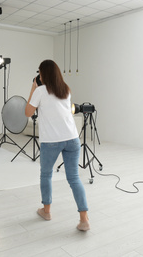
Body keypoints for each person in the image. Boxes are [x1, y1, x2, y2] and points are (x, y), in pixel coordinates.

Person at [25, 59, 90, 231]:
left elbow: (27, 112)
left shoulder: (40, 90)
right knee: (74, 178)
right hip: (72, 138)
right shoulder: (65, 89)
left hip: (52, 141)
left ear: (42, 74)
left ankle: (46, 211)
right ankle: (84, 220)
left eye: (39, 73)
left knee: (46, 175)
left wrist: (33, 86)